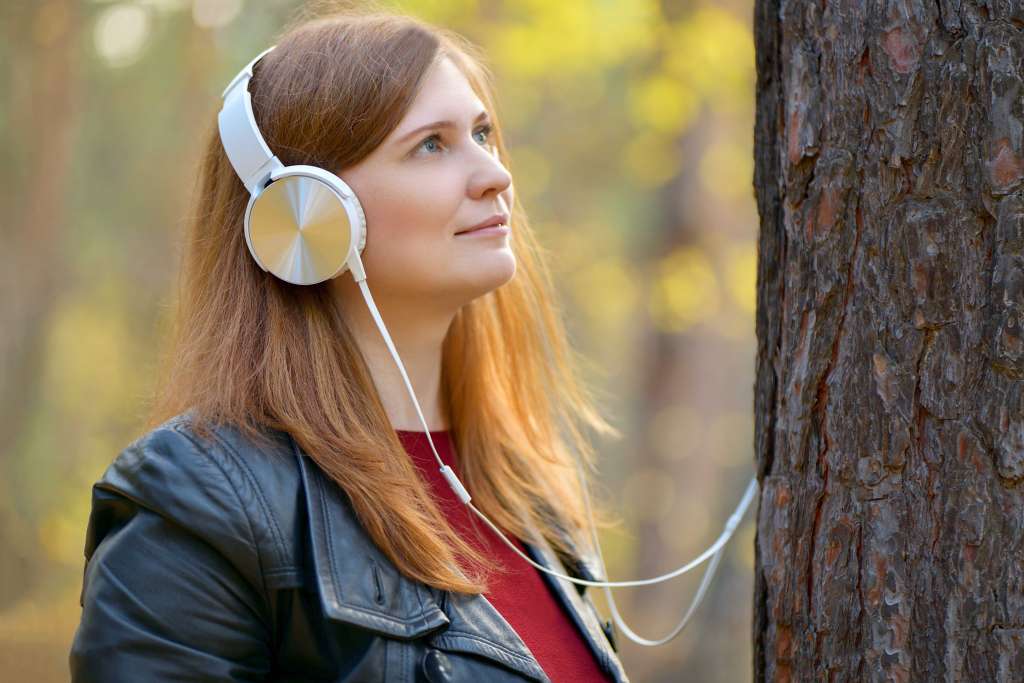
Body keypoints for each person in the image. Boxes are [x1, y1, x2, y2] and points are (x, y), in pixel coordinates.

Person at [69, 7, 628, 682]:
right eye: (432, 144)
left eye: (483, 133)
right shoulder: (201, 505)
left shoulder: (522, 497)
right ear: (309, 211)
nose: (494, 175)